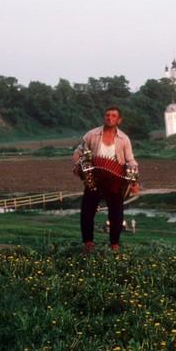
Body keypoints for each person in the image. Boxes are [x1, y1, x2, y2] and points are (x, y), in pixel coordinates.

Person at [73, 106, 138, 252]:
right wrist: (77, 165)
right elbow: (78, 152)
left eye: (114, 116)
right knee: (87, 212)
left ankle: (115, 245)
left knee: (116, 214)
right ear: (104, 117)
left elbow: (130, 160)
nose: (110, 118)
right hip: (94, 179)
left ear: (119, 120)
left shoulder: (124, 139)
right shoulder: (92, 134)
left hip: (115, 182)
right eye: (108, 115)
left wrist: (134, 180)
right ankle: (88, 244)